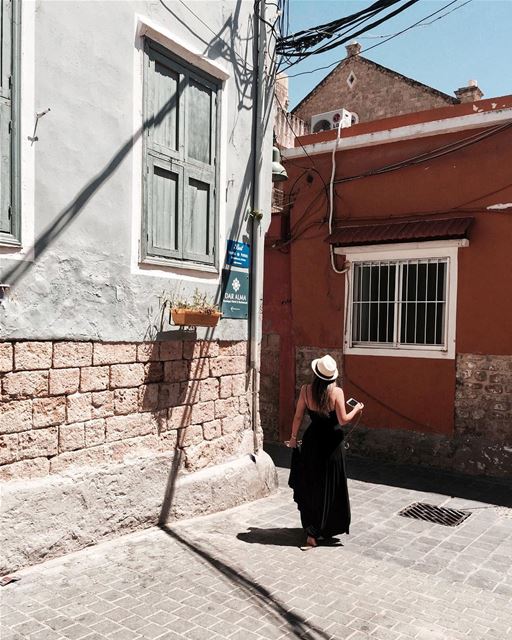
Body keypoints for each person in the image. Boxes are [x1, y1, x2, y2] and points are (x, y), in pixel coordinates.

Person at [287, 354, 364, 550]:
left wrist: (294, 439)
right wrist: (357, 409)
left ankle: (312, 532)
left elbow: (297, 417)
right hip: (332, 443)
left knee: (313, 483)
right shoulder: (337, 392)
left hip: (313, 441)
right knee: (331, 483)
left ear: (316, 373)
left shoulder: (305, 391)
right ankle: (327, 527)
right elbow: (343, 419)